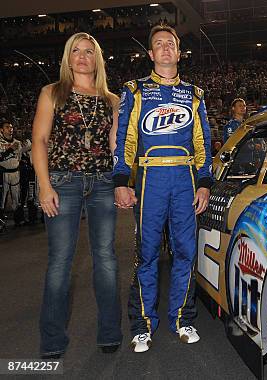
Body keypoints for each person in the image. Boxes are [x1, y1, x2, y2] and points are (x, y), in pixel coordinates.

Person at [112, 24, 213, 353]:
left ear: (178, 52)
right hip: (150, 180)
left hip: (184, 181)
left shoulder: (195, 94)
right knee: (147, 254)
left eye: (171, 43)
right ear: (151, 54)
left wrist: (204, 183)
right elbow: (126, 138)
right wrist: (121, 180)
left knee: (186, 252)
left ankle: (183, 318)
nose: (166, 48)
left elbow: (203, 143)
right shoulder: (136, 90)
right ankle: (143, 324)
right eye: (159, 44)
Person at [31, 32, 122, 358]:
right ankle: (52, 341)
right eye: (76, 51)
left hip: (102, 184)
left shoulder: (113, 100)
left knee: (106, 260)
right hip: (63, 182)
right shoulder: (52, 93)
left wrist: (125, 182)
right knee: (60, 263)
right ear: (68, 58)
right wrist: (44, 186)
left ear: (97, 58)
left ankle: (110, 332)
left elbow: (116, 148)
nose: (82, 56)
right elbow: (39, 142)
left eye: (89, 51)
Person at [0, 121, 31, 217]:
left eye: (11, 127)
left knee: (16, 197)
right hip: (3, 173)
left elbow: (29, 148)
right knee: (2, 198)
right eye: (7, 127)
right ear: (1, 130)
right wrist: (10, 149)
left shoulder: (18, 142)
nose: (10, 129)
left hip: (16, 172)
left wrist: (26, 139)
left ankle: (18, 219)